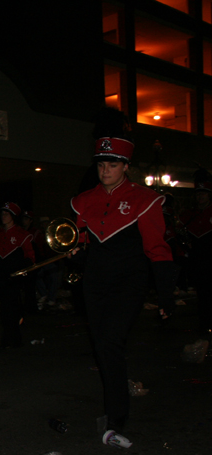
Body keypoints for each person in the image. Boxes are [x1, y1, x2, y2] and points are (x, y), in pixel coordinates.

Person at [70, 115, 175, 436]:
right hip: (95, 284)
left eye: (112, 165)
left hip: (129, 284)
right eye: (101, 164)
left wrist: (166, 296)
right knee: (102, 347)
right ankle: (113, 403)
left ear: (126, 166)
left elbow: (158, 250)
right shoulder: (85, 200)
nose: (105, 170)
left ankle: (116, 414)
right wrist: (76, 253)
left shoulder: (144, 200)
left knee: (109, 344)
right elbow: (82, 239)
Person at [0, 202, 35, 348]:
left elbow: (30, 256)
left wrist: (25, 270)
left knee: (13, 307)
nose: (3, 216)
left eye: (7, 214)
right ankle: (7, 337)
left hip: (15, 275)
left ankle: (14, 338)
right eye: (2, 213)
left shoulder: (22, 234)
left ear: (14, 217)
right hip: (2, 275)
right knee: (4, 308)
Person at [178, 176, 212, 334]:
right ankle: (204, 322)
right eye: (198, 194)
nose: (200, 197)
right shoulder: (190, 214)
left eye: (203, 194)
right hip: (198, 258)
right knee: (202, 292)